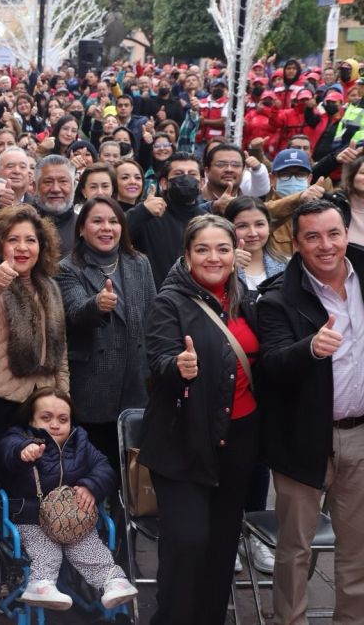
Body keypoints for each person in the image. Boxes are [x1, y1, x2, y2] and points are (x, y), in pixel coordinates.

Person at [139, 215, 260, 625]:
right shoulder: (168, 301)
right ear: (187, 255)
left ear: (235, 253)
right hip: (182, 441)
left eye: (223, 249)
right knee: (189, 542)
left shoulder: (246, 299)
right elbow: (156, 362)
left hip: (239, 442)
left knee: (223, 546)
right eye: (203, 249)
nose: (214, 257)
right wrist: (178, 367)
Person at [257, 200, 364, 624]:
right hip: (301, 439)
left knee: (356, 546)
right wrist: (310, 349)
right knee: (295, 549)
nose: (326, 245)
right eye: (313, 237)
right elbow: (272, 364)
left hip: (358, 434)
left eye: (333, 233)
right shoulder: (277, 298)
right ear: (296, 243)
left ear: (346, 233)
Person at [0, 388, 138, 611]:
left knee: (88, 547)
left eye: (63, 419)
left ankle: (112, 581)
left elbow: (105, 469)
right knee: (47, 551)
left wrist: (91, 486)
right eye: (46, 418)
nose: (55, 425)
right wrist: (22, 450)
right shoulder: (20, 437)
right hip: (31, 517)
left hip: (71, 518)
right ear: (30, 419)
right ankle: (41, 585)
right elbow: (5, 449)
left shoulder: (80, 442)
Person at [55, 197, 155, 466]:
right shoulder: (67, 268)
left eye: (113, 221)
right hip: (93, 386)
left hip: (136, 383)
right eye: (97, 221)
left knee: (134, 476)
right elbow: (75, 312)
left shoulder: (139, 263)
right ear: (81, 228)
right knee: (97, 471)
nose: (106, 228)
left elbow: (151, 318)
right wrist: (97, 305)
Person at [0, 203, 69, 431]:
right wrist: (0, 276)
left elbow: (60, 350)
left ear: (41, 246)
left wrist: (62, 396)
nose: (22, 247)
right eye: (13, 240)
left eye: (31, 240)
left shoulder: (50, 286)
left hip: (42, 400)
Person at [128, 152, 209, 287]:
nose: (185, 178)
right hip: (155, 299)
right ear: (164, 183)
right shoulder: (147, 215)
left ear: (201, 183)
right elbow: (116, 235)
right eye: (178, 173)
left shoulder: (208, 221)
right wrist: (142, 211)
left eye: (192, 174)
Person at [33, 155, 79, 254]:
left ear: (74, 186)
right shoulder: (21, 225)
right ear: (35, 187)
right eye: (48, 182)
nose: (55, 189)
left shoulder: (85, 227)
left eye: (63, 181)